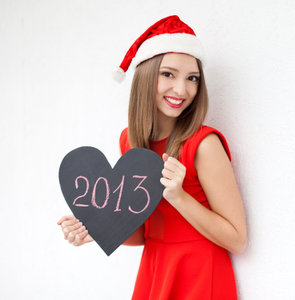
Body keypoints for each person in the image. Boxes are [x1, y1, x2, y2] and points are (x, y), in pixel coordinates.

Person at [57, 15, 247, 299]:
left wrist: (179, 197)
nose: (182, 90)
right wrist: (95, 228)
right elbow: (142, 233)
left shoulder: (203, 144)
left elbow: (237, 239)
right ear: (146, 76)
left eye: (192, 78)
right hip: (155, 267)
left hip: (199, 273)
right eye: (168, 74)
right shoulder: (130, 142)